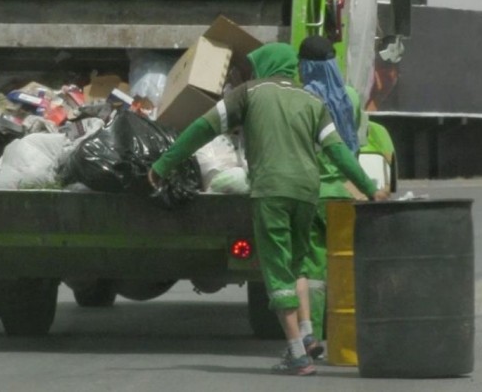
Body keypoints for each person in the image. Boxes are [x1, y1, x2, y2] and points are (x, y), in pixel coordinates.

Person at [148, 42, 389, 376]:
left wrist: (164, 163)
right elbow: (338, 152)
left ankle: (297, 355)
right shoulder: (311, 100)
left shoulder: (249, 93)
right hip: (307, 192)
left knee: (277, 271)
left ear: (265, 66)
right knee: (298, 264)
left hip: (272, 191)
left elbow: (204, 128)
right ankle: (307, 336)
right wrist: (369, 188)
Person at [297, 35, 367, 346]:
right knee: (344, 263)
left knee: (313, 269)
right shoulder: (350, 97)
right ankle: (347, 333)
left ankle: (313, 333)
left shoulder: (302, 99)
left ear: (304, 65)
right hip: (344, 192)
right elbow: (355, 144)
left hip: (311, 193)